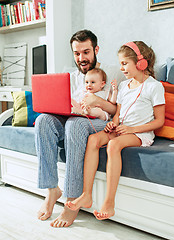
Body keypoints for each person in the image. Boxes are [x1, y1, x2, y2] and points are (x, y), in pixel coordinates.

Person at [65, 41, 165, 221]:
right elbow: (118, 114)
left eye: (125, 63)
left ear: (141, 62)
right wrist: (114, 123)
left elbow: (159, 121)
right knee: (93, 140)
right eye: (120, 64)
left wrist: (131, 129)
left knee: (113, 145)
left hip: (139, 133)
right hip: (122, 128)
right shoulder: (125, 86)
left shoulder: (154, 86)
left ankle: (109, 203)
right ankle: (86, 195)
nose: (122, 68)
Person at [35, 29, 117, 228]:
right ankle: (52, 189)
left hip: (100, 121)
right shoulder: (70, 77)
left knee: (75, 124)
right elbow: (63, 106)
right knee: (43, 121)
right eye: (77, 53)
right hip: (73, 117)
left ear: (96, 49)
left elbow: (116, 110)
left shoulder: (113, 73)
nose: (81, 58)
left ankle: (72, 200)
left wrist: (97, 101)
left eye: (86, 52)